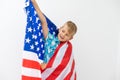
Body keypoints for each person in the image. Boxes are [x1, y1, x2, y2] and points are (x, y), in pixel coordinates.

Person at [31, 0, 77, 70]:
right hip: (40, 69)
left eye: (67, 35)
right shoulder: (50, 38)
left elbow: (65, 66)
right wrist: (34, 3)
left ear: (70, 38)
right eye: (63, 31)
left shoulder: (66, 50)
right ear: (59, 29)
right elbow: (43, 22)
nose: (63, 35)